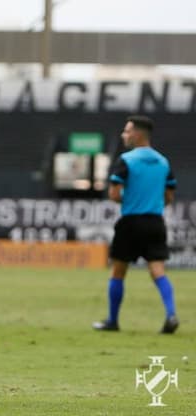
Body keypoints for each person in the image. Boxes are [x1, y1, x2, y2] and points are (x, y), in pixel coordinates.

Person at [93, 115, 178, 334]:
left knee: (118, 272)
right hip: (155, 221)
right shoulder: (163, 161)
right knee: (158, 269)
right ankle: (171, 314)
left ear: (138, 134)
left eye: (127, 131)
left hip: (131, 221)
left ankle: (112, 321)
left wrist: (131, 199)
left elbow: (114, 193)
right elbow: (169, 196)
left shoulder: (127, 160)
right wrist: (153, 200)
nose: (124, 135)